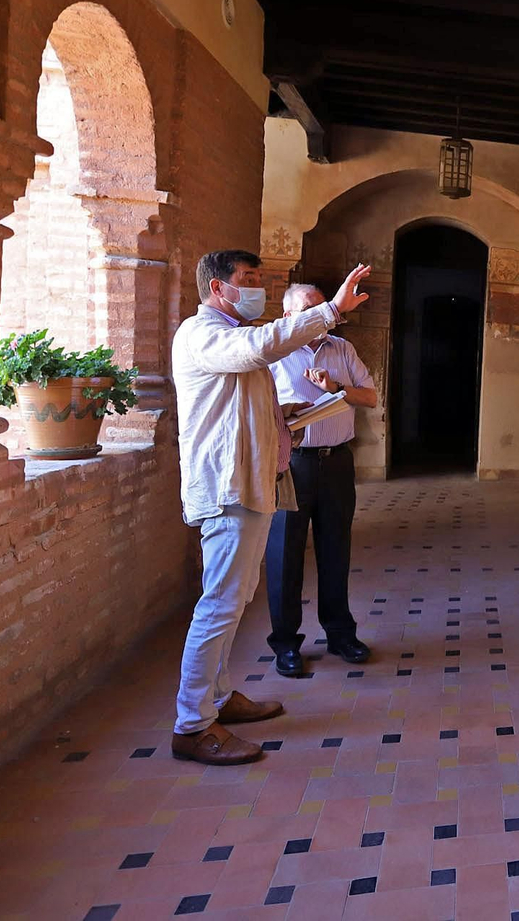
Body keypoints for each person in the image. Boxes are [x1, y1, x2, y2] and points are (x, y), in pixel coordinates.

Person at [170, 251, 372, 765]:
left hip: (251, 482)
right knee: (219, 603)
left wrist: (281, 412)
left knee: (233, 600)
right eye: (248, 280)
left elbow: (241, 401)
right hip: (227, 486)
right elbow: (258, 348)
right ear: (219, 289)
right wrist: (329, 311)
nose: (256, 288)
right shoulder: (204, 334)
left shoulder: (233, 338)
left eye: (260, 279)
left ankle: (218, 698)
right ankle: (192, 725)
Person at [265, 283, 379, 676]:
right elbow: (257, 409)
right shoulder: (273, 356)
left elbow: (370, 397)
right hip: (291, 463)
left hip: (337, 463)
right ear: (287, 317)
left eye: (321, 309)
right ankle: (285, 645)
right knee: (285, 553)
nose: (317, 317)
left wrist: (335, 388)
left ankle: (340, 634)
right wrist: (285, 411)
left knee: (336, 549)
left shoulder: (342, 350)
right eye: (307, 310)